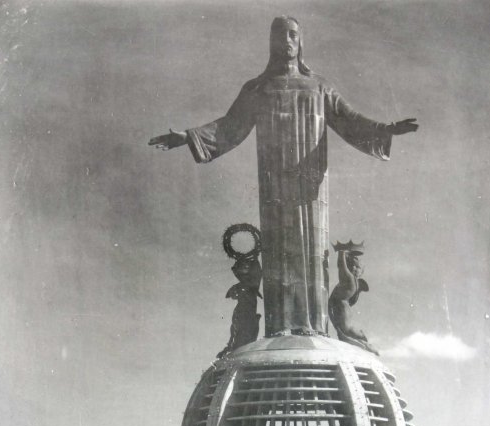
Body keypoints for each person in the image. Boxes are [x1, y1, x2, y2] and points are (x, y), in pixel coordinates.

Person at [149, 16, 418, 337]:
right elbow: (230, 126)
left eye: (293, 35)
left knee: (311, 247)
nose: (287, 41)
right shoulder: (258, 88)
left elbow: (350, 120)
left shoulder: (319, 87)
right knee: (278, 248)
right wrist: (187, 136)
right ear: (271, 42)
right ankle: (280, 328)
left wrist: (386, 130)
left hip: (311, 188)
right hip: (274, 185)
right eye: (280, 35)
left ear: (300, 42)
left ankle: (314, 328)